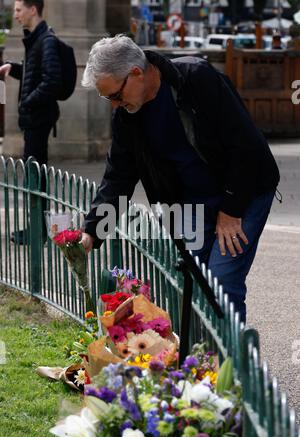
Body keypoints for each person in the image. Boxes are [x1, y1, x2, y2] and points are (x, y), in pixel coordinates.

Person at [80, 35, 280, 323]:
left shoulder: (197, 78)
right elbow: (119, 175)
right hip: (190, 204)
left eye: (115, 95)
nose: (114, 105)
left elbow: (244, 146)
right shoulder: (127, 113)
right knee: (189, 284)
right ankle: (199, 362)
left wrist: (231, 210)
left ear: (136, 73)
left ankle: (231, 365)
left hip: (244, 191)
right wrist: (92, 230)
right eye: (107, 98)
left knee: (221, 283)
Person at [0, 0, 62, 244]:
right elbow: (35, 71)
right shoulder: (38, 38)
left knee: (36, 176)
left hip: (37, 118)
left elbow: (51, 80)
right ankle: (36, 227)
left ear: (32, 9)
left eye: (18, 9)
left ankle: (37, 231)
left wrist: (27, 103)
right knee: (35, 175)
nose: (15, 15)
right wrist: (13, 68)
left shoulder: (45, 39)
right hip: (36, 118)